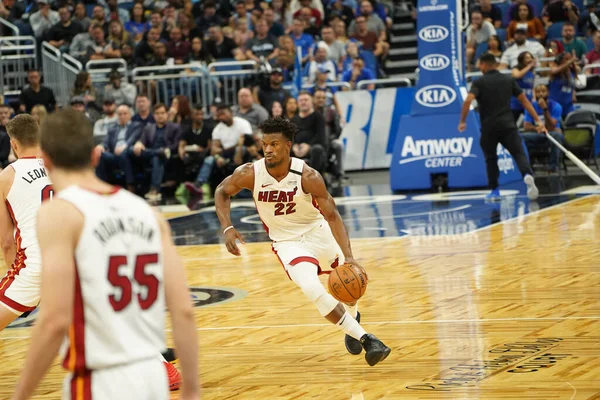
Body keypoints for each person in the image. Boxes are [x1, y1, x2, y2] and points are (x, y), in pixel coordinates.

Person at [10, 109, 198, 399]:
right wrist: (193, 390)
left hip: (101, 381)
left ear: (46, 160)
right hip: (151, 381)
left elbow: (54, 321)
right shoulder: (147, 213)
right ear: (97, 155)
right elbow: (183, 311)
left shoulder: (59, 214)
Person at [214, 117, 391, 366]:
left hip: (318, 232)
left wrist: (349, 257)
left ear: (288, 145)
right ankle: (366, 339)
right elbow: (222, 191)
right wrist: (227, 227)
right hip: (287, 242)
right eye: (265, 144)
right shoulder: (251, 173)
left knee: (350, 287)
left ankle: (352, 317)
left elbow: (332, 215)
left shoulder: (307, 175)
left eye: (274, 144)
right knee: (311, 287)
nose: (268, 149)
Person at [458, 53, 542, 201]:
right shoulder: (508, 79)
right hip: (508, 125)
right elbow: (524, 101)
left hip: (489, 127)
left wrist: (463, 121)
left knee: (491, 158)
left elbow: (467, 101)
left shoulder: (479, 82)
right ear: (495, 64)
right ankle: (527, 175)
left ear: (484, 64)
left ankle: (494, 190)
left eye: (480, 64)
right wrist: (537, 120)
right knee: (518, 153)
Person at [0, 115, 51, 332]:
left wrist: (21, 286)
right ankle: (161, 364)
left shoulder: (7, 176)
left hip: (35, 264)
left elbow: (6, 242)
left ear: (13, 144)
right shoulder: (60, 167)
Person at [521, 84, 565, 173]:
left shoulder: (556, 106)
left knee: (557, 135)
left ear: (548, 92)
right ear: (535, 94)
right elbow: (526, 126)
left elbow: (551, 127)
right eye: (538, 92)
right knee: (520, 137)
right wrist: (536, 128)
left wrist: (545, 109)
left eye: (543, 91)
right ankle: (526, 166)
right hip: (537, 134)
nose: (540, 94)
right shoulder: (530, 106)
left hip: (551, 135)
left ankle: (552, 166)